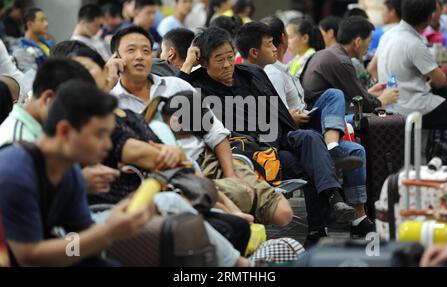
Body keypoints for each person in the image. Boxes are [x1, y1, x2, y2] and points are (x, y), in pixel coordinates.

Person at [180, 27, 359, 245]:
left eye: (229, 57)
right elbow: (175, 97)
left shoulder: (251, 74)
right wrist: (189, 63)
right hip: (247, 153)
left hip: (277, 140)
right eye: (219, 60)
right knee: (304, 163)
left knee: (309, 139)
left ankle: (334, 200)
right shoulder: (197, 86)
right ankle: (318, 227)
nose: (227, 65)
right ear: (205, 62)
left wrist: (283, 135)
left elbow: (278, 114)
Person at [110, 26, 293, 226]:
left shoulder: (175, 86)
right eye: (131, 50)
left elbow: (215, 133)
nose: (140, 56)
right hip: (171, 176)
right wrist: (108, 80)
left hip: (210, 161)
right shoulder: (111, 104)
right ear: (116, 58)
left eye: (146, 51)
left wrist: (231, 175)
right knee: (236, 206)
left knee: (283, 213)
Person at [237, 21, 374, 237]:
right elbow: (274, 120)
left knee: (354, 146)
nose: (276, 47)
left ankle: (358, 217)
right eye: (270, 44)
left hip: (297, 132)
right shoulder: (261, 75)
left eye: (274, 42)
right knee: (310, 149)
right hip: (282, 139)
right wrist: (290, 117)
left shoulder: (274, 70)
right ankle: (324, 217)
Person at [0, 80, 154, 267]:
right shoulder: (14, 172)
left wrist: (108, 231)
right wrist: (107, 232)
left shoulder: (68, 171)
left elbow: (77, 241)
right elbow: (29, 256)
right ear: (65, 131)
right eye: (100, 134)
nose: (108, 144)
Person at [0, 58, 119, 195]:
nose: (80, 117)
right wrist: (78, 183)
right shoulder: (16, 144)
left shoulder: (49, 131)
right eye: (76, 107)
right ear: (48, 100)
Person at [370, 0, 447, 130]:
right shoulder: (415, 43)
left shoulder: (388, 34)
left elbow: (372, 68)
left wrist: (388, 85)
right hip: (413, 108)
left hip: (389, 104)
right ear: (429, 17)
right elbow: (440, 81)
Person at [301, 16, 399, 113]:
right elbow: (364, 106)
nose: (369, 47)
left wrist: (368, 94)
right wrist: (383, 100)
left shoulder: (326, 54)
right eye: (369, 41)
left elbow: (355, 96)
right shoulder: (341, 61)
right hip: (320, 118)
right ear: (358, 42)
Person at [12, 8, 51, 73]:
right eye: (42, 20)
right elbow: (32, 78)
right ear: (29, 24)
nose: (46, 24)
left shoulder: (46, 44)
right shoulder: (21, 51)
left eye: (46, 20)